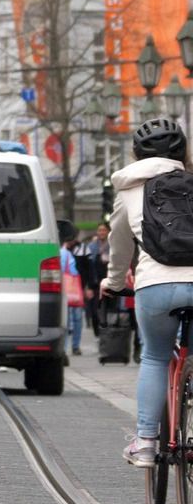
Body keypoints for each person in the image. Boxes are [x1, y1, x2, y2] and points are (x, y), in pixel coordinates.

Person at [100, 117, 193, 466]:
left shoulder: (129, 190)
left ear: (136, 154)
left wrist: (113, 283)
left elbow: (120, 246)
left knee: (155, 357)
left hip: (157, 286)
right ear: (183, 151)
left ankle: (146, 443)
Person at [77, 222, 111, 335]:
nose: (101, 232)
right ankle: (97, 333)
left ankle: (106, 335)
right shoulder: (91, 246)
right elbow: (86, 267)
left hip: (109, 282)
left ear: (108, 232)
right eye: (100, 230)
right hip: (94, 283)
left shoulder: (112, 246)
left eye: (104, 230)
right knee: (94, 311)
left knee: (107, 309)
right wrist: (87, 286)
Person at [61, 237, 83, 356]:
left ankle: (64, 347)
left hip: (62, 289)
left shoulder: (59, 251)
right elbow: (73, 272)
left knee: (65, 319)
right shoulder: (66, 253)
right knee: (77, 319)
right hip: (72, 289)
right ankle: (75, 346)